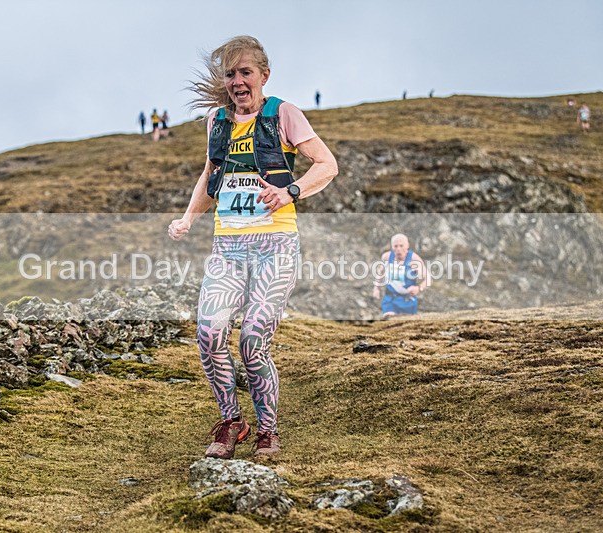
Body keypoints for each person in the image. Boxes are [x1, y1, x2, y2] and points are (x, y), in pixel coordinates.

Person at [168, 35, 338, 460]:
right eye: (230, 74)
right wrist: (189, 216)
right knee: (208, 333)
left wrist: (290, 192)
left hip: (275, 246)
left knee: (253, 339)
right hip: (228, 248)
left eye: (246, 72)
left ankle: (267, 430)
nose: (238, 81)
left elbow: (327, 165)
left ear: (264, 75)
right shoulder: (218, 122)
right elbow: (212, 176)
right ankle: (231, 421)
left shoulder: (283, 114)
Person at [372, 234, 428, 318]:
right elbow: (380, 272)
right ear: (392, 247)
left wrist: (419, 288)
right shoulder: (386, 257)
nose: (398, 249)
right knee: (389, 321)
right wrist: (376, 288)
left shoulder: (414, 259)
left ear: (407, 246)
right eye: (395, 246)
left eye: (401, 246)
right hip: (390, 299)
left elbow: (427, 279)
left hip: (408, 301)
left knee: (405, 327)